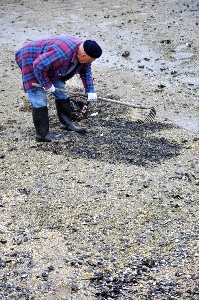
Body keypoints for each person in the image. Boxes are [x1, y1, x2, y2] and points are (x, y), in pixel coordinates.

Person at [15, 35, 102, 142]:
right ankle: (42, 134)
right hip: (30, 59)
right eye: (90, 60)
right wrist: (46, 84)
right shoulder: (61, 53)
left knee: (61, 92)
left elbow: (86, 72)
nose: (90, 63)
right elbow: (38, 65)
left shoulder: (83, 53)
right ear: (83, 55)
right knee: (39, 98)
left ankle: (66, 123)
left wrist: (90, 91)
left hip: (49, 65)